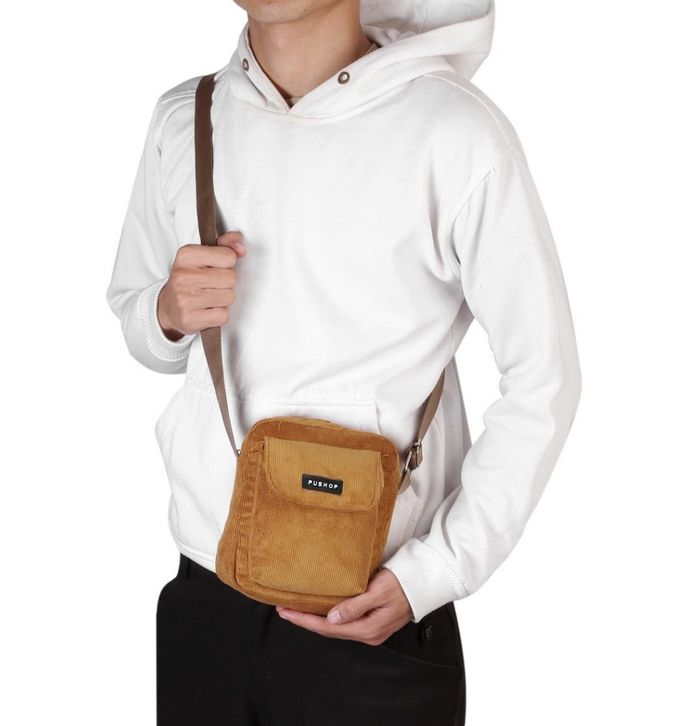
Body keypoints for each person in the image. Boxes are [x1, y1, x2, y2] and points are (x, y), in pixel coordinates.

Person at [105, 0, 582, 723]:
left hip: (370, 608)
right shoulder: (186, 118)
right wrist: (168, 311)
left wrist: (437, 571)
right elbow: (142, 329)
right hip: (207, 599)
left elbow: (545, 376)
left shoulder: (454, 131)